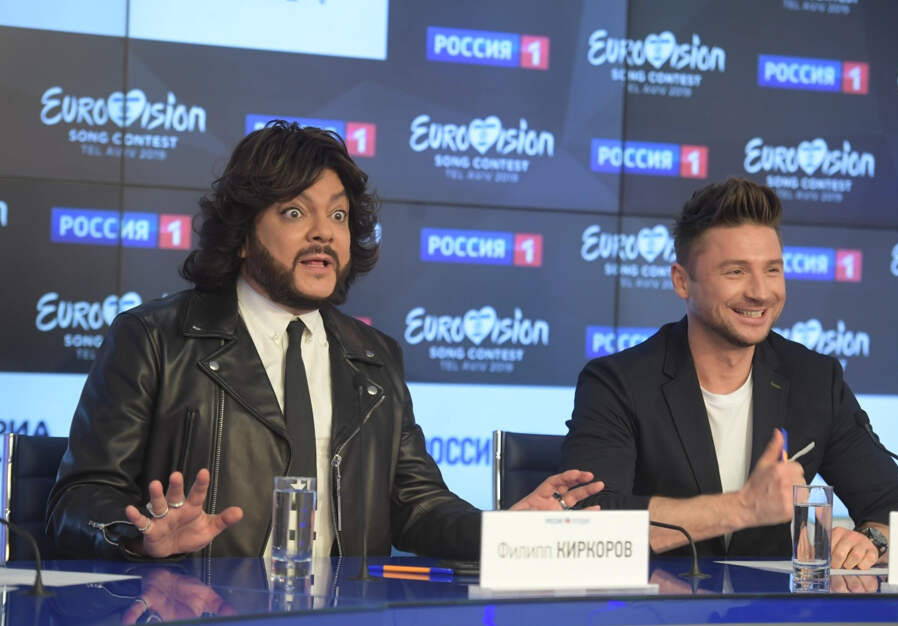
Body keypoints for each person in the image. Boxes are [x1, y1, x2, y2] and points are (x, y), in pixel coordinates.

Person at [46, 121, 602, 561]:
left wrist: (501, 532)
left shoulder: (374, 356)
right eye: (295, 212)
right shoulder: (154, 338)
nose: (324, 232)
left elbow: (415, 504)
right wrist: (142, 535)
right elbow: (78, 499)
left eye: (338, 214)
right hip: (198, 619)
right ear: (242, 236)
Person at [560, 178, 898, 569]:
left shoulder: (816, 380)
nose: (760, 292)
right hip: (657, 605)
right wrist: (744, 507)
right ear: (682, 281)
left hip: (772, 607)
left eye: (772, 270)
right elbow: (589, 521)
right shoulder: (617, 383)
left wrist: (870, 541)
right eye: (736, 272)